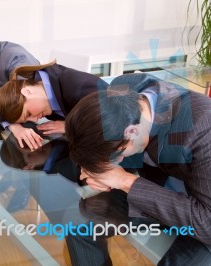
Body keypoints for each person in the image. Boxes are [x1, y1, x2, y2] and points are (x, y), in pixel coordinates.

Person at [65, 72, 211, 265]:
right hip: (160, 190)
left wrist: (125, 181)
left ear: (132, 131)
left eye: (117, 155)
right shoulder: (122, 93)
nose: (117, 161)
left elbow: (206, 224)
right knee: (77, 223)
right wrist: (95, 166)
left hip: (203, 215)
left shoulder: (203, 128)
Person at [0, 61, 108, 150]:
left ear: (27, 92)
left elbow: (113, 121)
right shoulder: (45, 89)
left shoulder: (77, 89)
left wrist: (70, 126)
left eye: (28, 113)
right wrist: (16, 128)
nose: (34, 120)